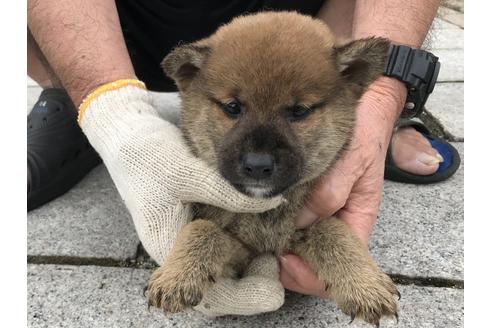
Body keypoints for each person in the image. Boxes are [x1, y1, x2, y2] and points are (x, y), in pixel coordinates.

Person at [28, 0, 454, 315]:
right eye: (234, 109)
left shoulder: (343, 72)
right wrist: (113, 112)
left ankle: (381, 123)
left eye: (298, 111)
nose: (259, 156)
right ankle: (79, 96)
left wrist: (385, 95)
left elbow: (318, 232)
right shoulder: (199, 69)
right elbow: (216, 232)